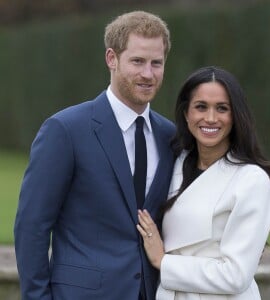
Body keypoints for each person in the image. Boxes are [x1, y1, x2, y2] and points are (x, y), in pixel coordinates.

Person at [14, 11, 175, 300]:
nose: (148, 74)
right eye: (137, 61)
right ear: (111, 59)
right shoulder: (65, 130)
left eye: (156, 63)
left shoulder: (170, 136)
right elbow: (32, 227)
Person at [137, 66, 270, 300]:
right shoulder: (172, 162)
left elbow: (235, 275)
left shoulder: (252, 180)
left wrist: (163, 261)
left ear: (235, 116)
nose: (211, 118)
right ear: (186, 114)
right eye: (201, 107)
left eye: (222, 108)